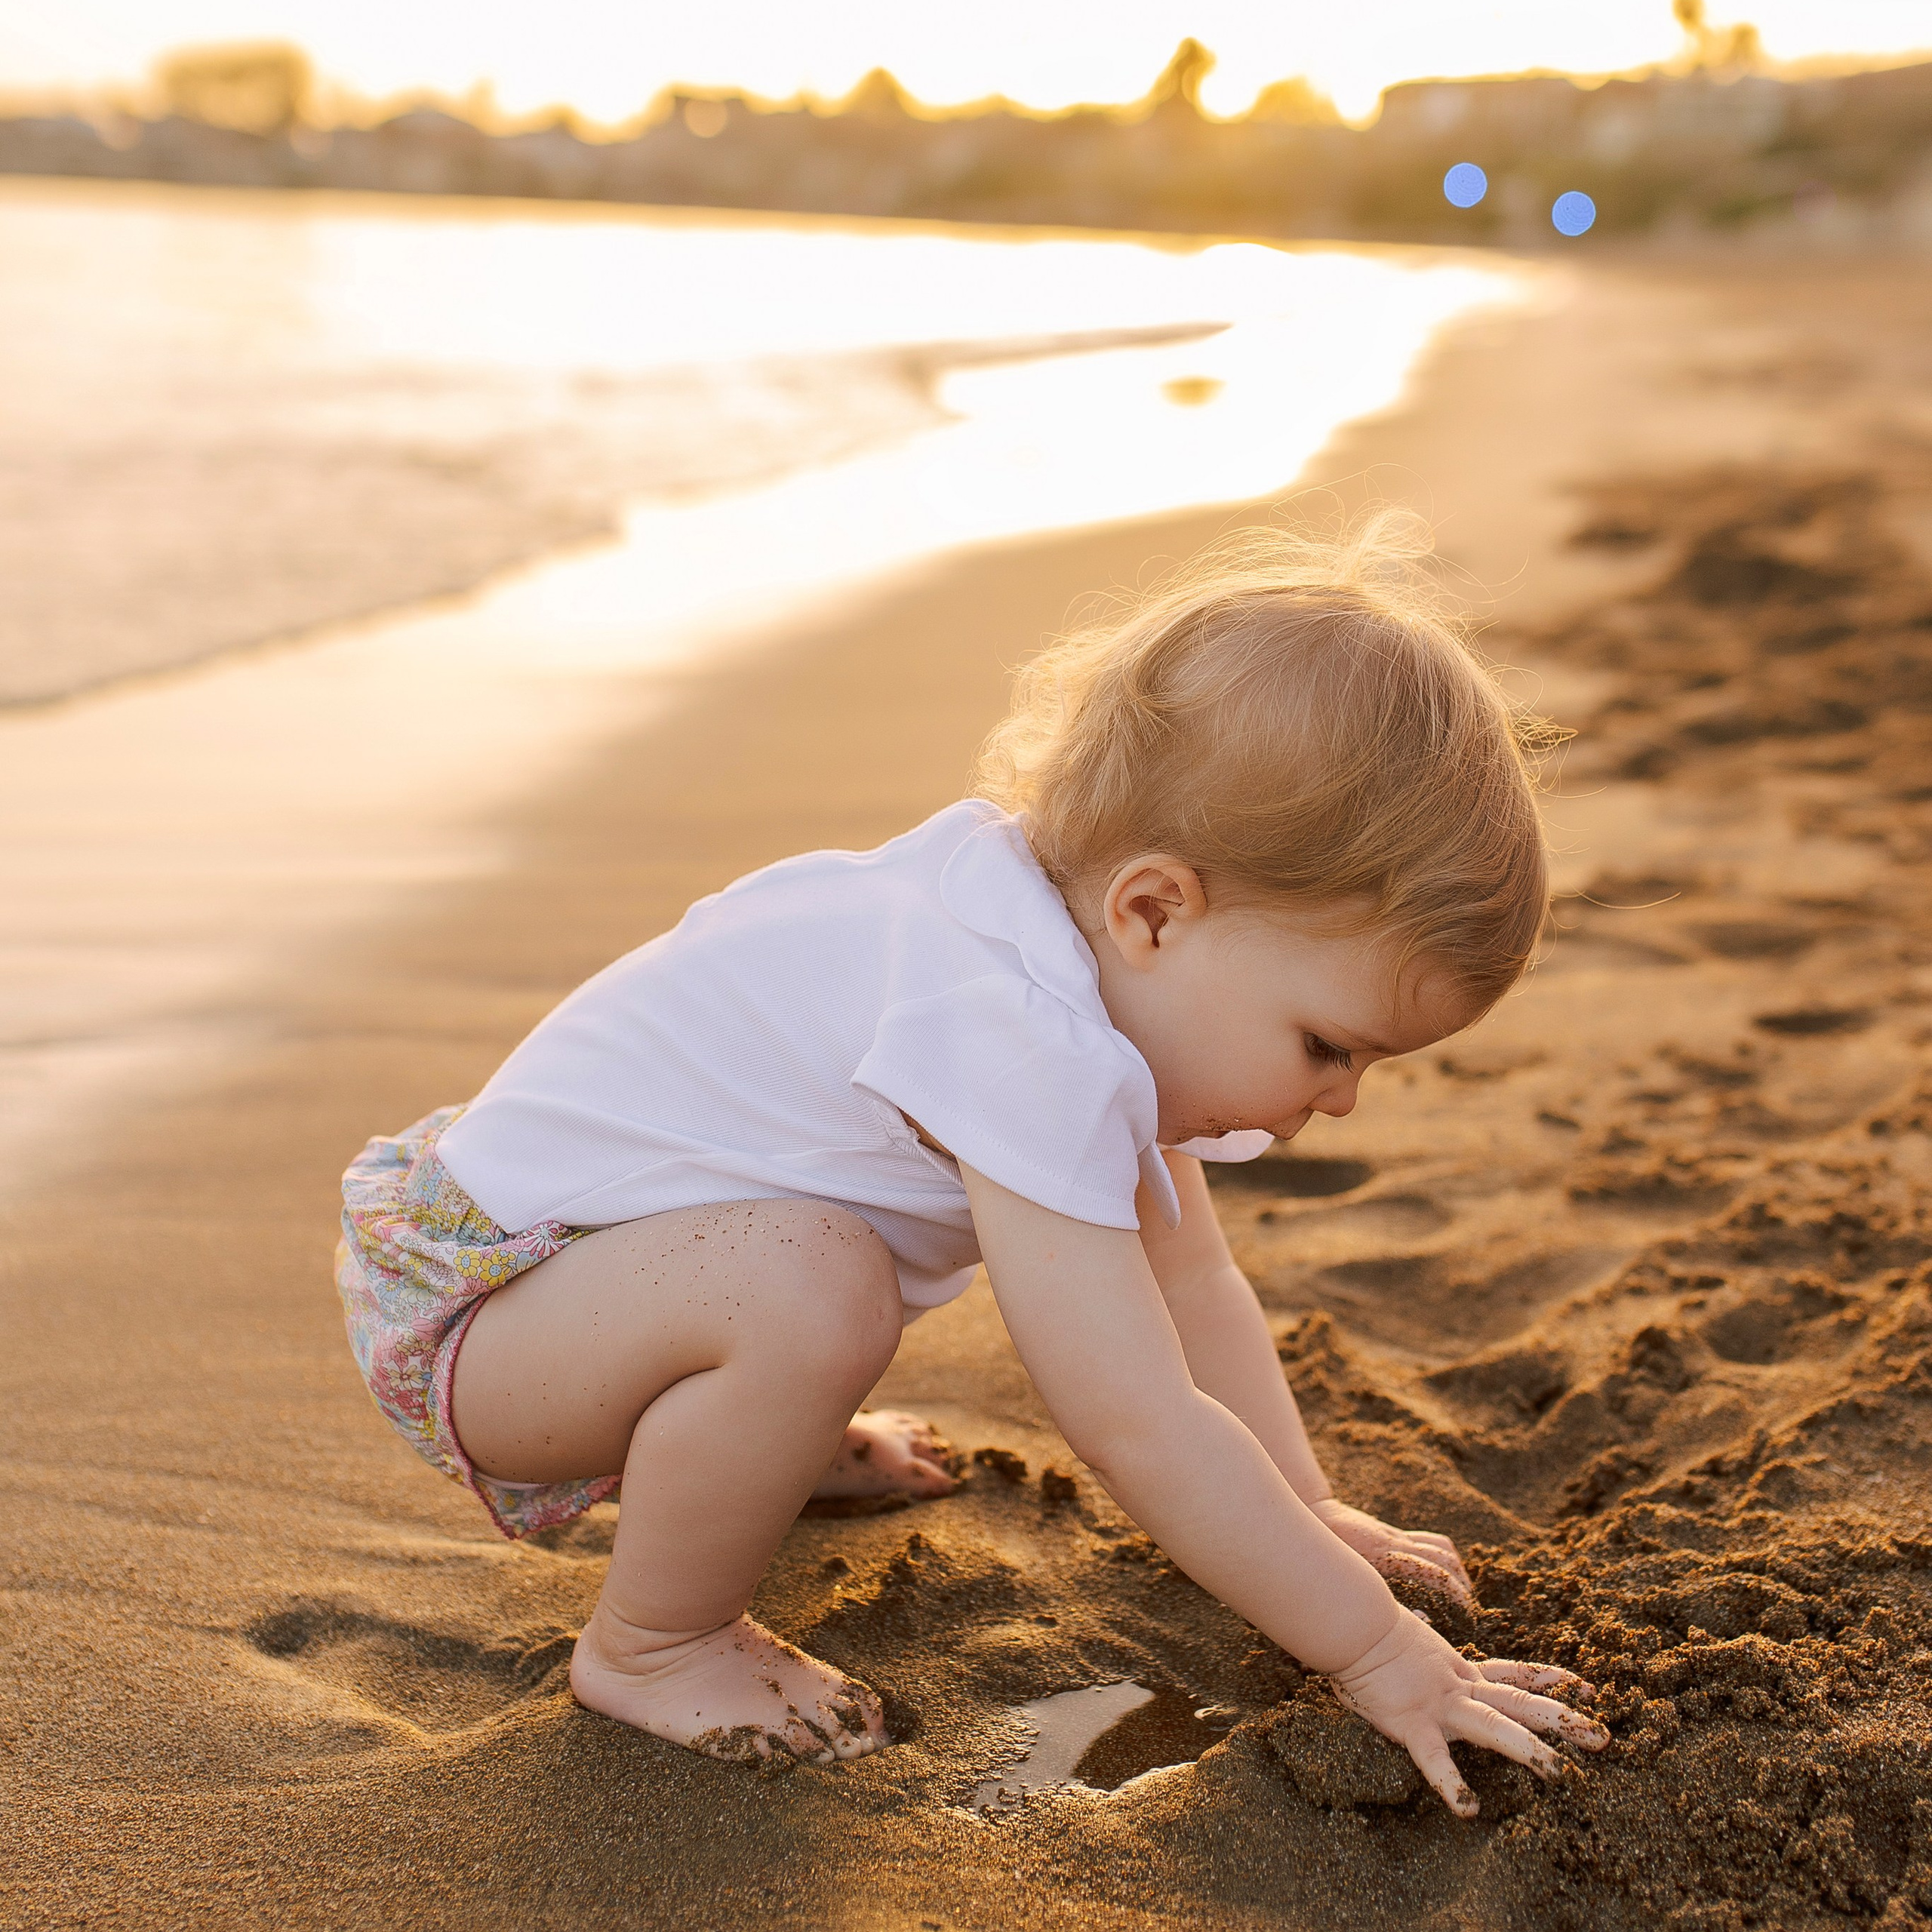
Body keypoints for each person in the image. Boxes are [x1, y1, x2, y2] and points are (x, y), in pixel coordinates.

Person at [336, 515, 1609, 1813]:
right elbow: (1134, 1418)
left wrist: (1307, 1509)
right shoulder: (1011, 1028)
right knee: (813, 1279)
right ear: (1156, 910)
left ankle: (755, 1426)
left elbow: (1197, 1298)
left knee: (812, 1275)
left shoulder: (1051, 954)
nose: (1339, 1102)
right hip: (479, 1311)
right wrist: (1383, 1655)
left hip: (599, 1285)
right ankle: (655, 1645)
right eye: (1329, 1045)